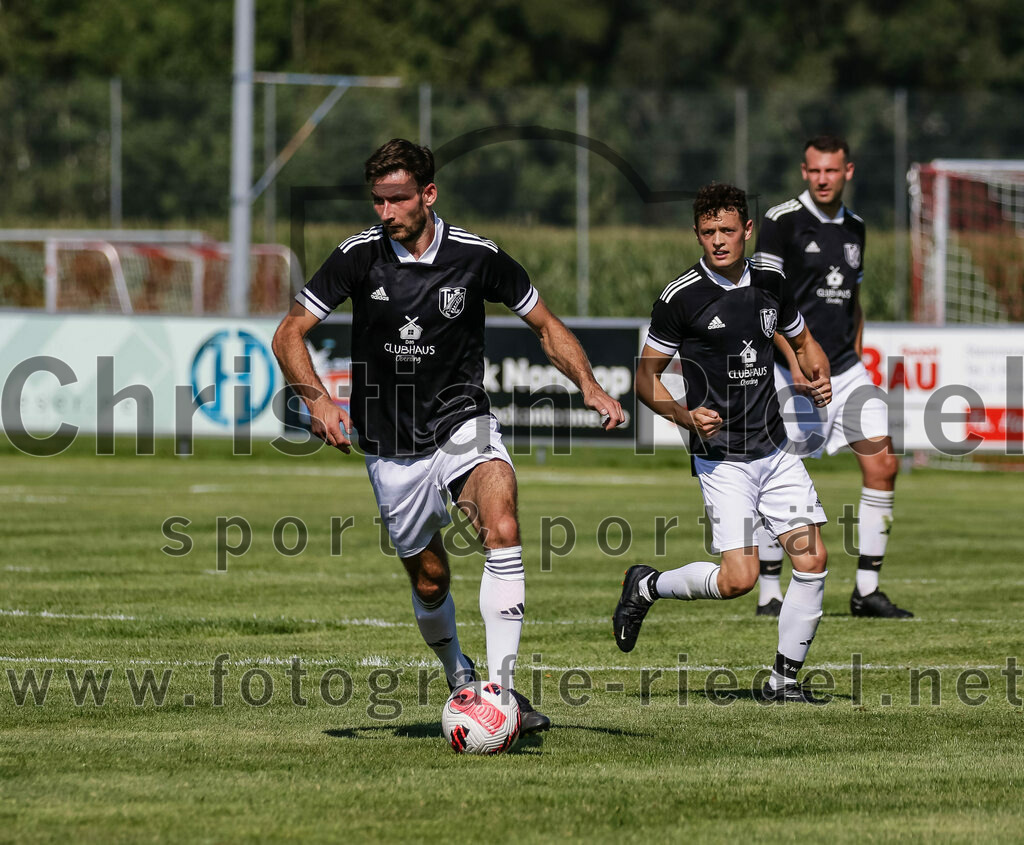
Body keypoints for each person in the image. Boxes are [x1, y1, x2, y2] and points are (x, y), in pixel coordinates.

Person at [273, 138, 626, 735]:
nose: (385, 213)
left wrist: (589, 384)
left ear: (428, 195)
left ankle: (502, 694)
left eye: (398, 200)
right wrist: (317, 400)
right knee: (431, 578)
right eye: (378, 201)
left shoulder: (476, 256)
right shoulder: (358, 257)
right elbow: (290, 332)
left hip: (462, 421)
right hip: (390, 448)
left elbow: (543, 325)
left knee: (502, 523)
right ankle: (459, 674)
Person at [615, 182, 833, 704]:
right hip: (722, 460)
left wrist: (815, 375)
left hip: (776, 450)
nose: (718, 240)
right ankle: (647, 586)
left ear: (747, 231)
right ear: (697, 233)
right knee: (739, 579)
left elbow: (801, 340)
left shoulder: (772, 280)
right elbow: (645, 380)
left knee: (812, 560)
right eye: (708, 231)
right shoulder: (680, 297)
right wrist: (685, 416)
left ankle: (783, 684)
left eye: (728, 230)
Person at [751, 134, 910, 619]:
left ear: (848, 172)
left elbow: (854, 303)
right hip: (785, 370)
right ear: (804, 172)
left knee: (883, 465)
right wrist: (795, 364)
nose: (823, 178)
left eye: (832, 171)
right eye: (815, 170)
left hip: (844, 371)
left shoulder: (857, 228)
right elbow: (765, 304)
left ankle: (866, 591)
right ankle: (769, 593)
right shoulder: (781, 222)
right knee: (774, 476)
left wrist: (855, 358)